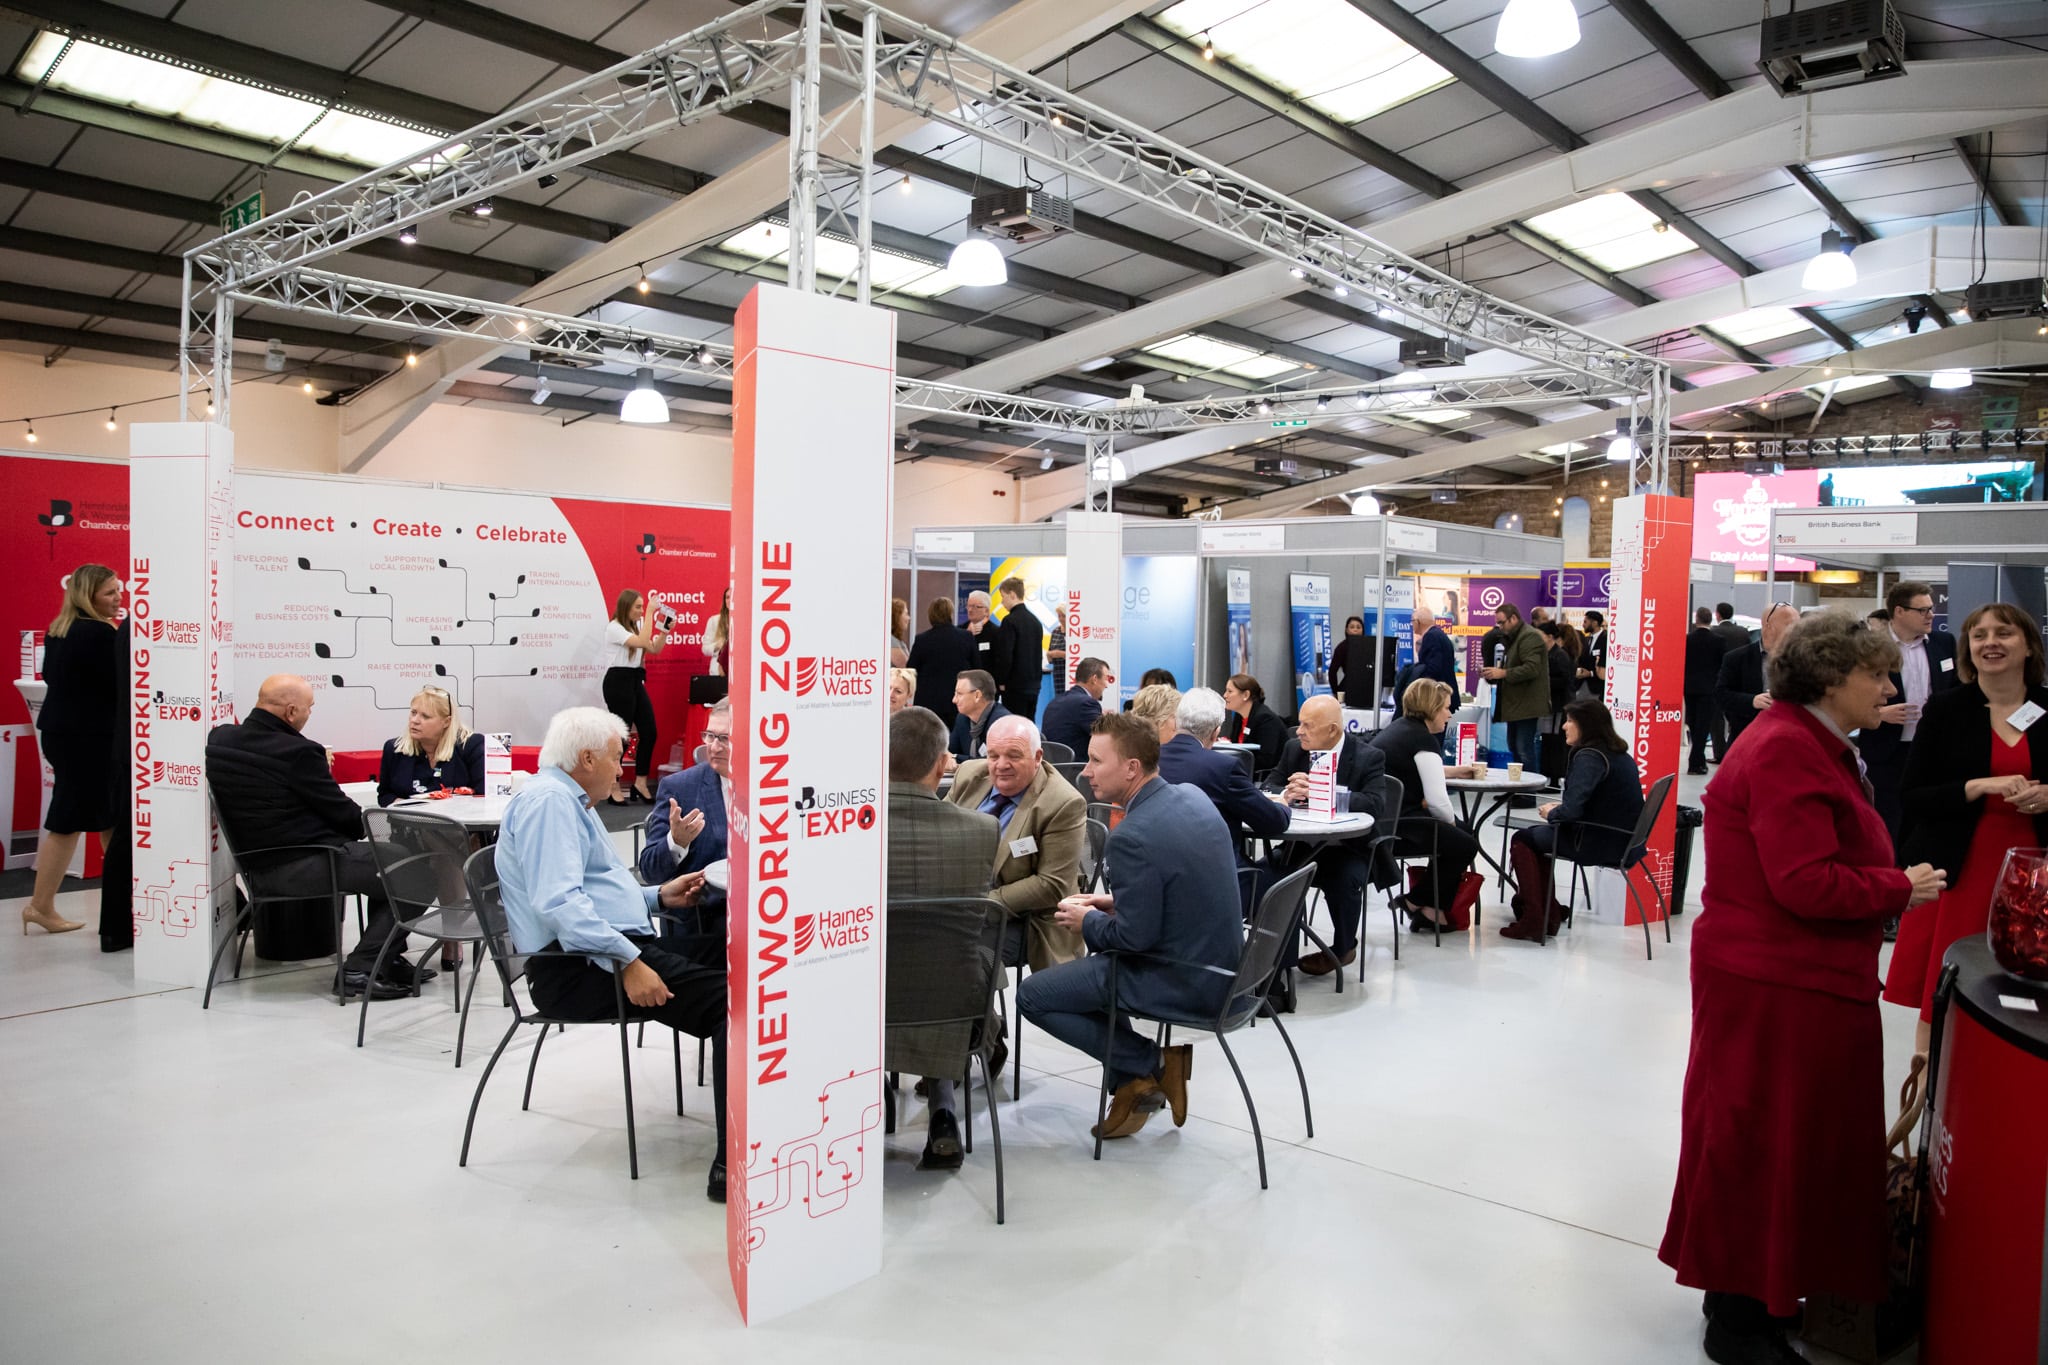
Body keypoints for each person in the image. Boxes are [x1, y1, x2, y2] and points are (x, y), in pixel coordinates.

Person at [1660, 611, 1943, 1365]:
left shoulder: (1807, 739)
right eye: (1875, 674)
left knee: (1778, 1144)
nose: (1886, 687)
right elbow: (1804, 881)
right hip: (1777, 982)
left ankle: (1758, 1295)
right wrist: (1896, 885)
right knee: (1764, 1145)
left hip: (1789, 979)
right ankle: (1739, 1317)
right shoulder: (1789, 747)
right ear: (1829, 676)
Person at [496, 706, 729, 1202]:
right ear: (584, 758)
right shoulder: (550, 804)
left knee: (732, 958)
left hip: (601, 950)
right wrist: (628, 961)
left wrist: (655, 897)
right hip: (580, 968)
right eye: (614, 757)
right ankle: (735, 1160)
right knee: (733, 1009)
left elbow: (591, 893)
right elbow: (559, 903)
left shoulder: (563, 798)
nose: (621, 768)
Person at [1021, 713, 1243, 1140]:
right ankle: (1131, 1081)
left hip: (1183, 980)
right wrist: (1111, 901)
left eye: (1094, 761)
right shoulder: (1192, 797)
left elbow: (1132, 939)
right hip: (1224, 968)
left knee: (1036, 995)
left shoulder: (1131, 836)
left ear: (1131, 768)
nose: (1085, 772)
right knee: (1087, 980)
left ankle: (1149, 1063)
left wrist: (1087, 921)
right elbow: (1178, 890)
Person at [1888, 603, 2048, 1043]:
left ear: (2029, 646)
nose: (1990, 643)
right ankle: (1929, 1087)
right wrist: (1977, 787)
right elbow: (1912, 795)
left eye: (2004, 633)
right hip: (1958, 872)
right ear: (1967, 649)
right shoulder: (1945, 710)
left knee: (2027, 995)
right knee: (1943, 996)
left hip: (2034, 879)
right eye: (1979, 635)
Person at [204, 676, 416, 1000]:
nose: (308, 715)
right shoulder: (299, 752)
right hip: (305, 865)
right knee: (413, 867)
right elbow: (346, 817)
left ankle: (387, 958)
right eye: (309, 709)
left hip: (256, 869)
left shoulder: (220, 740)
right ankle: (361, 969)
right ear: (291, 712)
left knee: (388, 863)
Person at [886, 705, 1001, 1171]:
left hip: (863, 1002)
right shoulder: (983, 830)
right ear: (941, 766)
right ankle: (944, 1112)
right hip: (954, 1003)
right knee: (964, 962)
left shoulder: (846, 832)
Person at [23, 564, 124, 935]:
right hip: (89, 739)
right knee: (70, 821)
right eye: (110, 592)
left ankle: (123, 898)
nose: (118, 598)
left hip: (64, 734)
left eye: (118, 590)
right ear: (89, 595)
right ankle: (40, 906)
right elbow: (117, 686)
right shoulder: (99, 634)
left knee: (107, 817)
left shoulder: (59, 629)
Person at [946, 714, 1087, 971]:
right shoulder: (969, 775)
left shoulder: (1063, 803)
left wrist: (981, 905)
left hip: (1026, 918)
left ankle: (983, 1013)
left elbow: (1051, 885)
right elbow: (940, 832)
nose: (1001, 765)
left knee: (962, 956)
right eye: (993, 755)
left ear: (1037, 757)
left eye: (1013, 755)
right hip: (960, 904)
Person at [1262, 694, 1388, 974]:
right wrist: (1287, 793)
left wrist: (1325, 794)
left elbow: (1375, 804)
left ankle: (1343, 949)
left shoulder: (1368, 756)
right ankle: (1268, 955)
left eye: (1308, 725)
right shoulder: (1294, 749)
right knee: (1263, 874)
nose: (1300, 731)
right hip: (1300, 846)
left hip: (1348, 847)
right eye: (1300, 724)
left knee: (1343, 880)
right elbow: (1269, 784)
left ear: (1333, 730)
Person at [1501, 698, 1643, 944]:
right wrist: (1563, 809)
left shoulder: (1590, 757)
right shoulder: (1617, 753)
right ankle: (1549, 911)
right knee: (1537, 838)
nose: (1564, 727)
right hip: (1621, 839)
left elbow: (1572, 812)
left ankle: (1535, 919)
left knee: (1523, 839)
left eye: (1570, 721)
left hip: (1594, 841)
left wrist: (1553, 813)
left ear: (1586, 725)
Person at [1370, 679, 1485, 933]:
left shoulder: (1400, 729)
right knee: (1465, 842)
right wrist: (1453, 827)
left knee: (1461, 835)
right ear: (1431, 708)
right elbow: (1438, 803)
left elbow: (1419, 767)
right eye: (1445, 707)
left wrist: (1455, 771)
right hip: (1401, 827)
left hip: (1383, 820)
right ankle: (1417, 901)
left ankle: (1430, 909)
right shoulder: (1423, 740)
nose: (1449, 713)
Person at [1857, 580, 1960, 847]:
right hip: (1886, 751)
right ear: (1899, 612)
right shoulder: (1869, 646)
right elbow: (1849, 693)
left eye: (1931, 608)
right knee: (1886, 824)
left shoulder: (1943, 643)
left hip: (1931, 750)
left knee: (1926, 822)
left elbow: (1956, 688)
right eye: (1922, 610)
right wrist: (1879, 712)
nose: (1931, 615)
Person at [639, 698, 732, 965]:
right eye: (710, 736)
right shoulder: (681, 788)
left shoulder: (777, 783)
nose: (713, 747)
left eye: (725, 738)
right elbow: (650, 870)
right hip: (706, 925)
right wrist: (675, 842)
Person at [1161, 687, 1289, 847]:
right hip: (1214, 868)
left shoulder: (1149, 760)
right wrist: (1283, 806)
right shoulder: (1223, 767)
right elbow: (1272, 822)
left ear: (1176, 722)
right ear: (1216, 733)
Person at [600, 588, 667, 805]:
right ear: (626, 607)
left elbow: (653, 648)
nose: (640, 611)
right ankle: (612, 785)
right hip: (618, 682)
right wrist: (650, 613)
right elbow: (640, 643)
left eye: (642, 607)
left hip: (635, 680)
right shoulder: (614, 628)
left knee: (650, 731)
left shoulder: (637, 626)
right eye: (637, 607)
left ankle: (640, 781)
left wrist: (664, 630)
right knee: (622, 735)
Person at [376, 685, 486, 806]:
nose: (415, 720)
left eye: (425, 716)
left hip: (457, 821)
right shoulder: (394, 749)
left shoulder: (471, 746)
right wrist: (406, 807)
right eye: (413, 713)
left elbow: (485, 794)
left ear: (446, 722)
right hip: (409, 822)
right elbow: (384, 795)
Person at [1716, 601, 1796, 750]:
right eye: (1789, 624)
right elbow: (1721, 695)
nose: (1796, 630)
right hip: (1746, 742)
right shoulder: (1737, 658)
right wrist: (1752, 701)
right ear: (1768, 626)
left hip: (1788, 744)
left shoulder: (1802, 661)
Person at [1481, 603, 1547, 778]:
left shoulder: (1530, 637)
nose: (1500, 627)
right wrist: (1494, 673)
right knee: (1515, 749)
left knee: (1524, 749)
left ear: (1514, 618)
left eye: (1502, 623)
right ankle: (1517, 789)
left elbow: (1532, 668)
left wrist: (1503, 673)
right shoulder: (1514, 638)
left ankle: (1527, 793)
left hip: (1527, 705)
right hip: (1516, 704)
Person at [906, 597, 976, 726]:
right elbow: (976, 669)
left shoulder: (922, 639)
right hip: (958, 700)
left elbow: (911, 670)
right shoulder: (966, 637)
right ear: (950, 614)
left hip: (928, 702)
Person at [993, 577, 1046, 721]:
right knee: (1030, 724)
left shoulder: (1009, 621)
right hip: (1033, 685)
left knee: (1014, 726)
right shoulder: (1035, 621)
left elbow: (1005, 655)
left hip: (1014, 686)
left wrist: (1001, 681)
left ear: (1012, 594)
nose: (1002, 602)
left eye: (1003, 597)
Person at [1684, 607, 1727, 776]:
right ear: (1711, 620)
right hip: (1709, 688)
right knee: (1703, 725)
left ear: (1697, 620)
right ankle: (1695, 763)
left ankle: (1698, 760)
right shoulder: (1719, 641)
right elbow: (1722, 666)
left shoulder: (1688, 639)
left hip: (1689, 688)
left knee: (1694, 724)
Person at [1042, 656, 1110, 756]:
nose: (1107, 685)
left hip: (1056, 765)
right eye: (1106, 679)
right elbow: (1107, 737)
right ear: (1094, 679)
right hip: (1077, 767)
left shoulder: (1055, 701)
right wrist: (1110, 720)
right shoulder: (1087, 704)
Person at [1708, 603, 1750, 760]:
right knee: (1737, 721)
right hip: (1740, 683)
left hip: (1718, 681)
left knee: (1717, 721)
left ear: (1718, 615)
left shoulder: (1715, 632)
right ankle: (1736, 752)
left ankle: (1720, 754)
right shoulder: (1743, 632)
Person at [1222, 673, 1287, 772]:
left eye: (1230, 691)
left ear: (1246, 695)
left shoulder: (1266, 719)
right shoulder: (1239, 717)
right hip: (1243, 771)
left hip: (1262, 776)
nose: (1225, 695)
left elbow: (1266, 760)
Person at [949, 669, 1010, 760]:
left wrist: (956, 758)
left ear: (977, 695)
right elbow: (949, 751)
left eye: (959, 694)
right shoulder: (962, 718)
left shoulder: (1001, 723)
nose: (954, 700)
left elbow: (991, 762)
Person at [962, 590, 1010, 683]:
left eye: (975, 607)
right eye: (969, 606)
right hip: (965, 683)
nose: (970, 610)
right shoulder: (961, 630)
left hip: (987, 684)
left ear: (986, 611)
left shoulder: (996, 632)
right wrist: (967, 634)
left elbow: (1000, 661)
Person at [1410, 605, 1457, 691]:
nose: (1411, 624)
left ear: (1418, 622)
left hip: (1439, 696)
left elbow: (1433, 669)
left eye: (1412, 620)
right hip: (1444, 693)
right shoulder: (1438, 634)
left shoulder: (1431, 637)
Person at [700, 586, 731, 678]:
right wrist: (717, 645)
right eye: (727, 597)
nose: (729, 600)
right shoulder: (714, 620)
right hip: (718, 672)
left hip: (739, 672)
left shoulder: (746, 621)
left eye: (732, 597)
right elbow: (704, 649)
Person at [1577, 609, 1608, 696]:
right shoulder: (1586, 639)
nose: (1583, 625)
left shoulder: (1606, 639)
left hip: (1598, 687)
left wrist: (1591, 673)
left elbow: (1605, 663)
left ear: (1594, 623)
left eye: (1585, 622)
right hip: (1583, 686)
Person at [889, 596, 911, 668]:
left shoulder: (897, 641)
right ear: (897, 616)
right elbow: (906, 667)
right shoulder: (891, 641)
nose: (909, 618)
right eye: (906, 614)